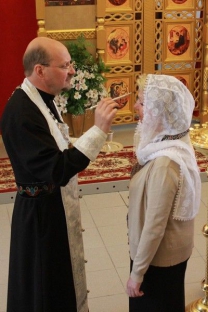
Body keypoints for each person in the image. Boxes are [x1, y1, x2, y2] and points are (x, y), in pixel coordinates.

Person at [1, 37, 120, 311]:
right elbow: (56, 169)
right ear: (40, 70)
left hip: (51, 208)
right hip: (40, 219)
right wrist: (99, 130)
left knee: (58, 284)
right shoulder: (22, 113)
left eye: (71, 64)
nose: (72, 71)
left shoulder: (43, 99)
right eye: (65, 65)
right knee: (46, 289)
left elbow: (57, 147)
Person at [126, 74, 201, 311]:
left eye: (142, 102)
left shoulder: (165, 164)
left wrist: (137, 274)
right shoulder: (172, 140)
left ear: (160, 111)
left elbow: (155, 225)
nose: (135, 106)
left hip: (158, 260)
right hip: (166, 255)